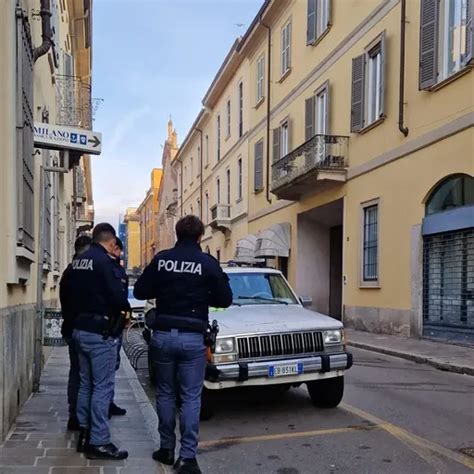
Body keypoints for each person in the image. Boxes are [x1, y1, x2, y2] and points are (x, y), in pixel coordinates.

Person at [134, 215, 233, 474]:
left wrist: (165, 288)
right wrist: (203, 293)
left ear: (178, 234)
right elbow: (225, 299)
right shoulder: (207, 263)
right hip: (192, 337)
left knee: (165, 393)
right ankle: (187, 457)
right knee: (191, 396)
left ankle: (166, 449)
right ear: (200, 237)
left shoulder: (161, 259)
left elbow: (140, 292)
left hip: (163, 335)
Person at [69, 223, 130, 460]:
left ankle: (84, 433)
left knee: (85, 384)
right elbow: (118, 297)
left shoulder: (79, 261)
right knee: (102, 388)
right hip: (100, 332)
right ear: (111, 241)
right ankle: (100, 441)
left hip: (80, 329)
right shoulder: (106, 263)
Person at [59, 234, 92, 432]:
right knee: (85, 376)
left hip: (70, 327)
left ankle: (74, 414)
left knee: (75, 373)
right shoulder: (82, 272)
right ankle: (82, 417)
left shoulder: (68, 271)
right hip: (82, 327)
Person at [107, 237, 128, 418]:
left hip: (115, 325)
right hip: (110, 326)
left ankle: (109, 402)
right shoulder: (110, 268)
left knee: (111, 368)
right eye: (118, 251)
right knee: (106, 372)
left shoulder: (117, 269)